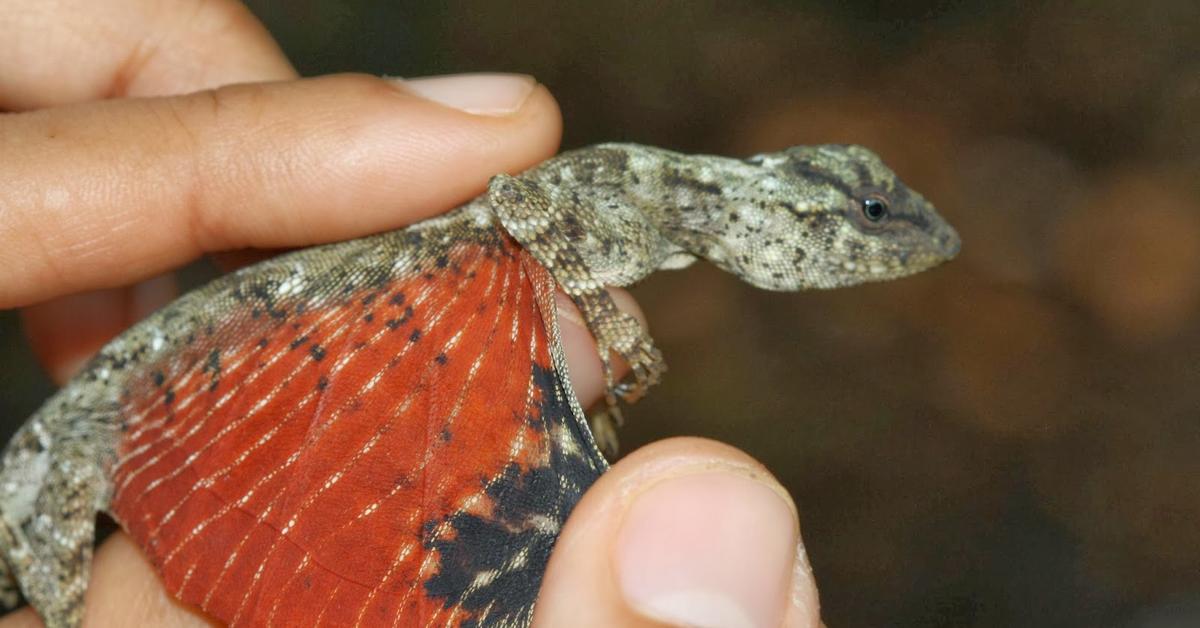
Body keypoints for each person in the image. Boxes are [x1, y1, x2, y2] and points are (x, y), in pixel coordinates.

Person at [0, 2, 820, 626]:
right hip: (94, 431)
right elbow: (522, 200)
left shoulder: (659, 203)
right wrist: (606, 321)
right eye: (855, 216)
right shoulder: (639, 187)